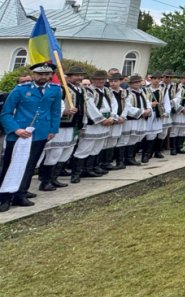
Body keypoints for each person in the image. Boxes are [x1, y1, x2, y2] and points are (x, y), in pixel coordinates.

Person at [0, 63, 61, 212]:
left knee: (30, 164)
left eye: (47, 74)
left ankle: (20, 194)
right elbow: (6, 113)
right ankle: (4, 197)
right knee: (11, 165)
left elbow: (55, 111)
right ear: (33, 74)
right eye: (40, 74)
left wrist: (53, 129)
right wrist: (15, 129)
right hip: (19, 133)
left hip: (40, 132)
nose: (44, 77)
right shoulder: (21, 90)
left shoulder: (55, 90)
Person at [37, 65, 83, 191]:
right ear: (68, 77)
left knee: (65, 151)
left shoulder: (79, 89)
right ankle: (45, 180)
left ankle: (54, 178)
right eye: (76, 75)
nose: (79, 78)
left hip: (73, 125)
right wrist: (65, 112)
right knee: (54, 152)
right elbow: (52, 107)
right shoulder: (61, 89)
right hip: (61, 125)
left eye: (80, 75)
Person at [73, 70, 112, 178]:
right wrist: (101, 119)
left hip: (106, 121)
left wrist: (112, 117)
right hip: (92, 123)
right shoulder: (88, 91)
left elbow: (114, 104)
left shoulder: (107, 91)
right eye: (97, 79)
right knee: (85, 147)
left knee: (97, 147)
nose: (100, 81)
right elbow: (90, 106)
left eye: (102, 79)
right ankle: (77, 172)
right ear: (93, 80)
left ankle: (90, 168)